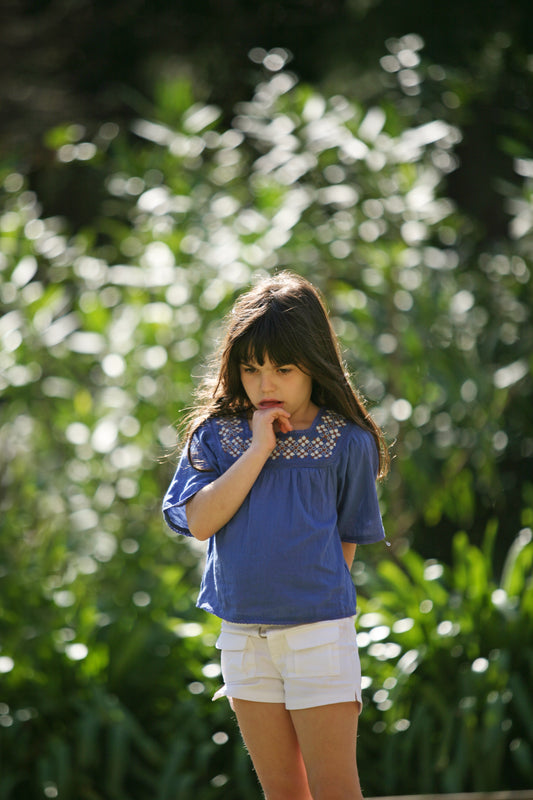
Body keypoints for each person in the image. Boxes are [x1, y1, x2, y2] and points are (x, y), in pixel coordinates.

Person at [162, 271, 389, 800]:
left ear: (315, 364)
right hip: (242, 639)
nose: (266, 385)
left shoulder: (346, 443)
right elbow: (198, 521)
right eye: (251, 368)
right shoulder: (215, 436)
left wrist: (308, 611)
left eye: (283, 369)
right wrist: (257, 449)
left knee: (335, 791)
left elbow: (346, 541)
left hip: (318, 637)